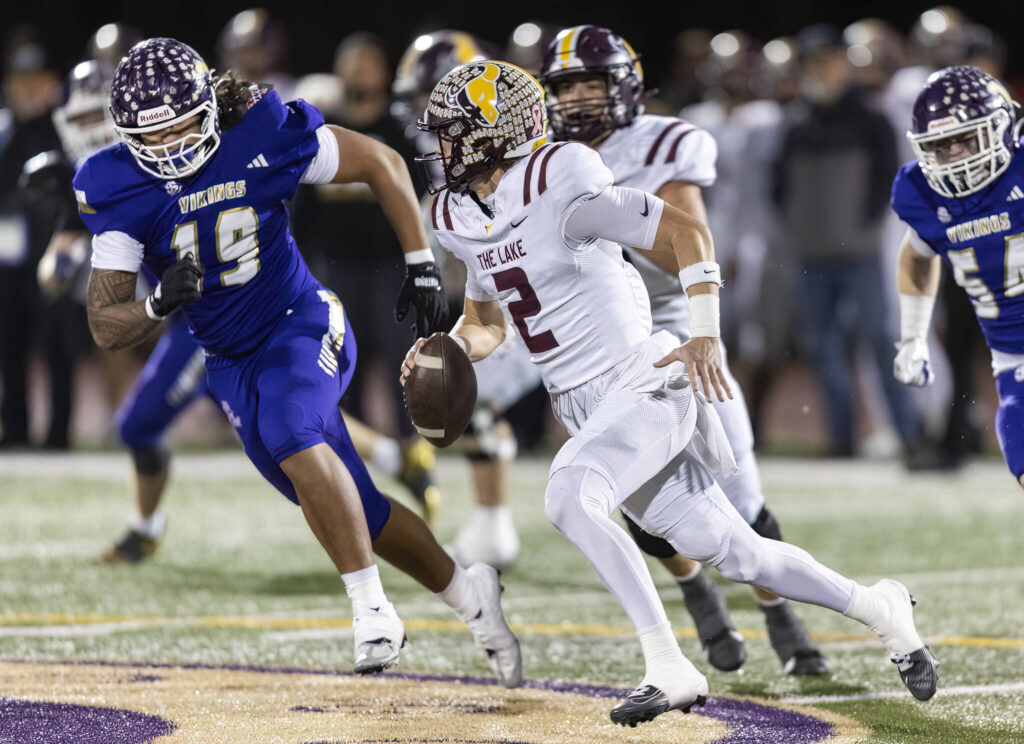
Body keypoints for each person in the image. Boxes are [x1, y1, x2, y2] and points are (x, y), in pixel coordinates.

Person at [403, 59, 938, 725]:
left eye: (454, 131)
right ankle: (880, 607)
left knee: (569, 495)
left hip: (643, 374)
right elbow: (486, 321)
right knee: (737, 551)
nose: (441, 145)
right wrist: (447, 349)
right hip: (585, 406)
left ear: (493, 133)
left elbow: (684, 232)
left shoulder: (559, 175)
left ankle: (666, 663)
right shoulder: (456, 211)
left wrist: (704, 332)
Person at [73, 38, 520, 686]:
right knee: (357, 509)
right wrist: (155, 306)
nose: (170, 147)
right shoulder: (116, 186)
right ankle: (472, 596)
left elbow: (382, 162)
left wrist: (421, 264)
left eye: (180, 127)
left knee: (291, 429)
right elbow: (105, 322)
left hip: (301, 321)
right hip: (227, 360)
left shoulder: (260, 133)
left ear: (207, 110)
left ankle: (371, 612)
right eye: (153, 136)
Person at [538, 24, 826, 676]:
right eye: (568, 86)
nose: (580, 98)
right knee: (639, 495)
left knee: (741, 496)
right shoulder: (545, 159)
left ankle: (781, 611)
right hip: (607, 344)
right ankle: (697, 593)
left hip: (677, 326)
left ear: (626, 86)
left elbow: (682, 245)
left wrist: (600, 224)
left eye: (592, 83)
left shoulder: (666, 141)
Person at [393, 30, 534, 568]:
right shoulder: (446, 149)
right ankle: (494, 527)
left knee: (465, 391)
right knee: (472, 397)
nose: (426, 114)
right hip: (497, 294)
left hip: (532, 298)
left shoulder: (503, 147)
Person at [772, 24, 927, 462]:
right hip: (811, 254)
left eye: (829, 60)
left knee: (881, 340)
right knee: (822, 347)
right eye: (813, 63)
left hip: (861, 254)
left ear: (844, 63)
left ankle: (909, 434)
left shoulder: (872, 118)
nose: (822, 71)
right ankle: (842, 440)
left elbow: (887, 186)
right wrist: (799, 232)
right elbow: (778, 188)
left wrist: (862, 231)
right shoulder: (795, 123)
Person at [892, 65, 1024, 488]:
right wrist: (912, 335)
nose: (956, 158)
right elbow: (915, 256)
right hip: (1015, 363)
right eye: (941, 146)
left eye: (966, 140)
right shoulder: (921, 192)